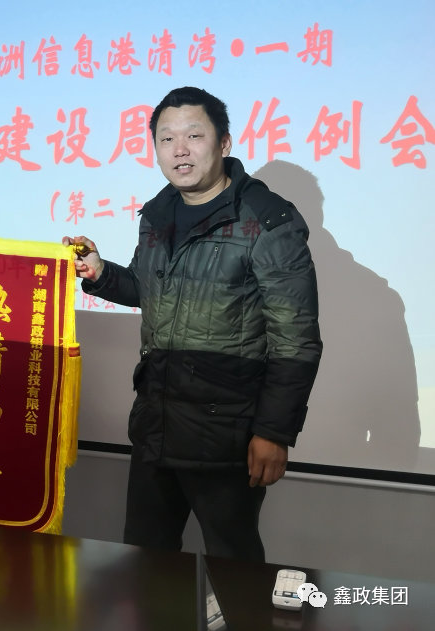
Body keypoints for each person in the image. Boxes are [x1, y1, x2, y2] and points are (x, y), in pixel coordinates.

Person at [63, 87, 322, 561]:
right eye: (166, 139)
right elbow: (149, 289)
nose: (179, 150)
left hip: (226, 435)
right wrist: (101, 273)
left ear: (224, 142)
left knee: (233, 566)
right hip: (156, 422)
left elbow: (296, 340)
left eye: (194, 136)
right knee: (144, 561)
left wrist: (274, 432)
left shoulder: (267, 221)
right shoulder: (159, 212)